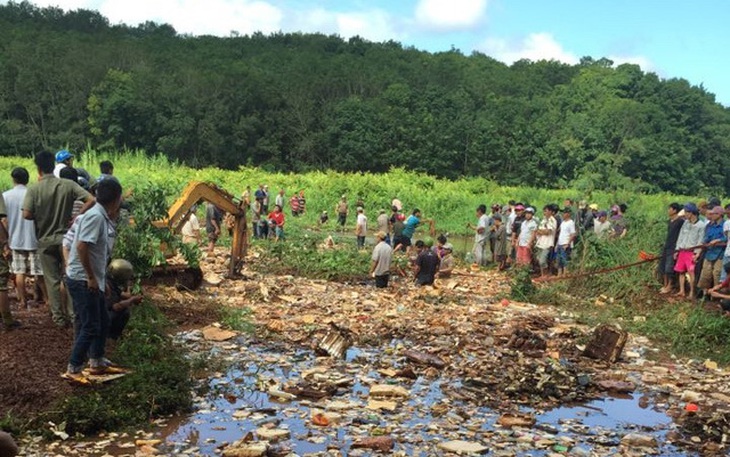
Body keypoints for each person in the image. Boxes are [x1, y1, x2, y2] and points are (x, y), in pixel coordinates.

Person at [23, 151, 95, 328]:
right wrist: (78, 215)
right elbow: (91, 199)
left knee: (52, 280)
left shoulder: (34, 189)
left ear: (39, 169)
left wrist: (41, 216)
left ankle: (58, 318)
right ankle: (73, 314)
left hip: (45, 239)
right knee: (70, 277)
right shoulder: (68, 184)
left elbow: (26, 214)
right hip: (66, 239)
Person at [64, 179, 123, 382]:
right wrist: (91, 277)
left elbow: (97, 253)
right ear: (117, 199)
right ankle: (74, 367)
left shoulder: (101, 216)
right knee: (90, 325)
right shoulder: (95, 217)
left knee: (103, 320)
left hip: (91, 278)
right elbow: (81, 247)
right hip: (82, 279)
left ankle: (97, 361)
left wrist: (101, 279)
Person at [4, 167, 46, 309]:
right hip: (34, 238)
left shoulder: (6, 196)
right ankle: (48, 300)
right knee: (38, 273)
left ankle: (22, 301)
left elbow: (4, 220)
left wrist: (6, 239)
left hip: (15, 238)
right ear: (27, 179)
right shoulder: (33, 193)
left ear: (13, 179)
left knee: (19, 271)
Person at [674, 203, 706, 298]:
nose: (685, 214)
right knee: (681, 271)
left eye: (687, 212)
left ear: (692, 213)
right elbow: (681, 236)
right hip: (682, 250)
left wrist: (697, 253)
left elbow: (701, 241)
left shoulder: (701, 225)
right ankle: (682, 290)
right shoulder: (686, 223)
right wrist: (677, 249)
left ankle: (692, 292)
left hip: (691, 251)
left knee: (691, 272)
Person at [105, 259, 143, 340]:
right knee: (124, 312)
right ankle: (110, 335)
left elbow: (125, 295)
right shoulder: (107, 285)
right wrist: (132, 300)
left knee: (124, 309)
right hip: (104, 316)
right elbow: (117, 307)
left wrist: (128, 287)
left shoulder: (111, 281)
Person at [697, 206, 727, 296]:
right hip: (709, 252)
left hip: (720, 253)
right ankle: (705, 293)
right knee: (706, 272)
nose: (712, 215)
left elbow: (727, 237)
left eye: (714, 213)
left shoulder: (725, 225)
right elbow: (706, 238)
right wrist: (703, 244)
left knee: (717, 273)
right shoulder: (709, 225)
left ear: (720, 215)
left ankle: (716, 294)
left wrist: (718, 240)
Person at [659, 203, 684, 294]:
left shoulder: (680, 222)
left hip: (674, 247)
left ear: (674, 210)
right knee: (663, 266)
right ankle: (665, 285)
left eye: (670, 209)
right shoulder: (670, 221)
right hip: (667, 245)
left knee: (670, 267)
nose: (668, 210)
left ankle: (670, 285)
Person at [534, 205, 557, 277]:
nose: (544, 212)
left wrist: (542, 231)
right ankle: (542, 274)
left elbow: (548, 232)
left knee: (542, 261)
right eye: (544, 211)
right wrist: (542, 231)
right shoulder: (543, 220)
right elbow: (537, 231)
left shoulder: (552, 220)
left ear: (550, 211)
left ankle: (546, 274)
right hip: (540, 242)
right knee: (539, 259)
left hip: (547, 244)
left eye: (546, 211)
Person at [556, 208, 577, 276]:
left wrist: (568, 244)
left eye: (564, 213)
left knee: (565, 260)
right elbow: (560, 233)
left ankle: (565, 274)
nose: (563, 214)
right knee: (559, 260)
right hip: (560, 243)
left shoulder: (571, 222)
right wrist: (557, 244)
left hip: (565, 243)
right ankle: (559, 274)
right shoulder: (563, 222)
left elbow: (573, 234)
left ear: (568, 214)